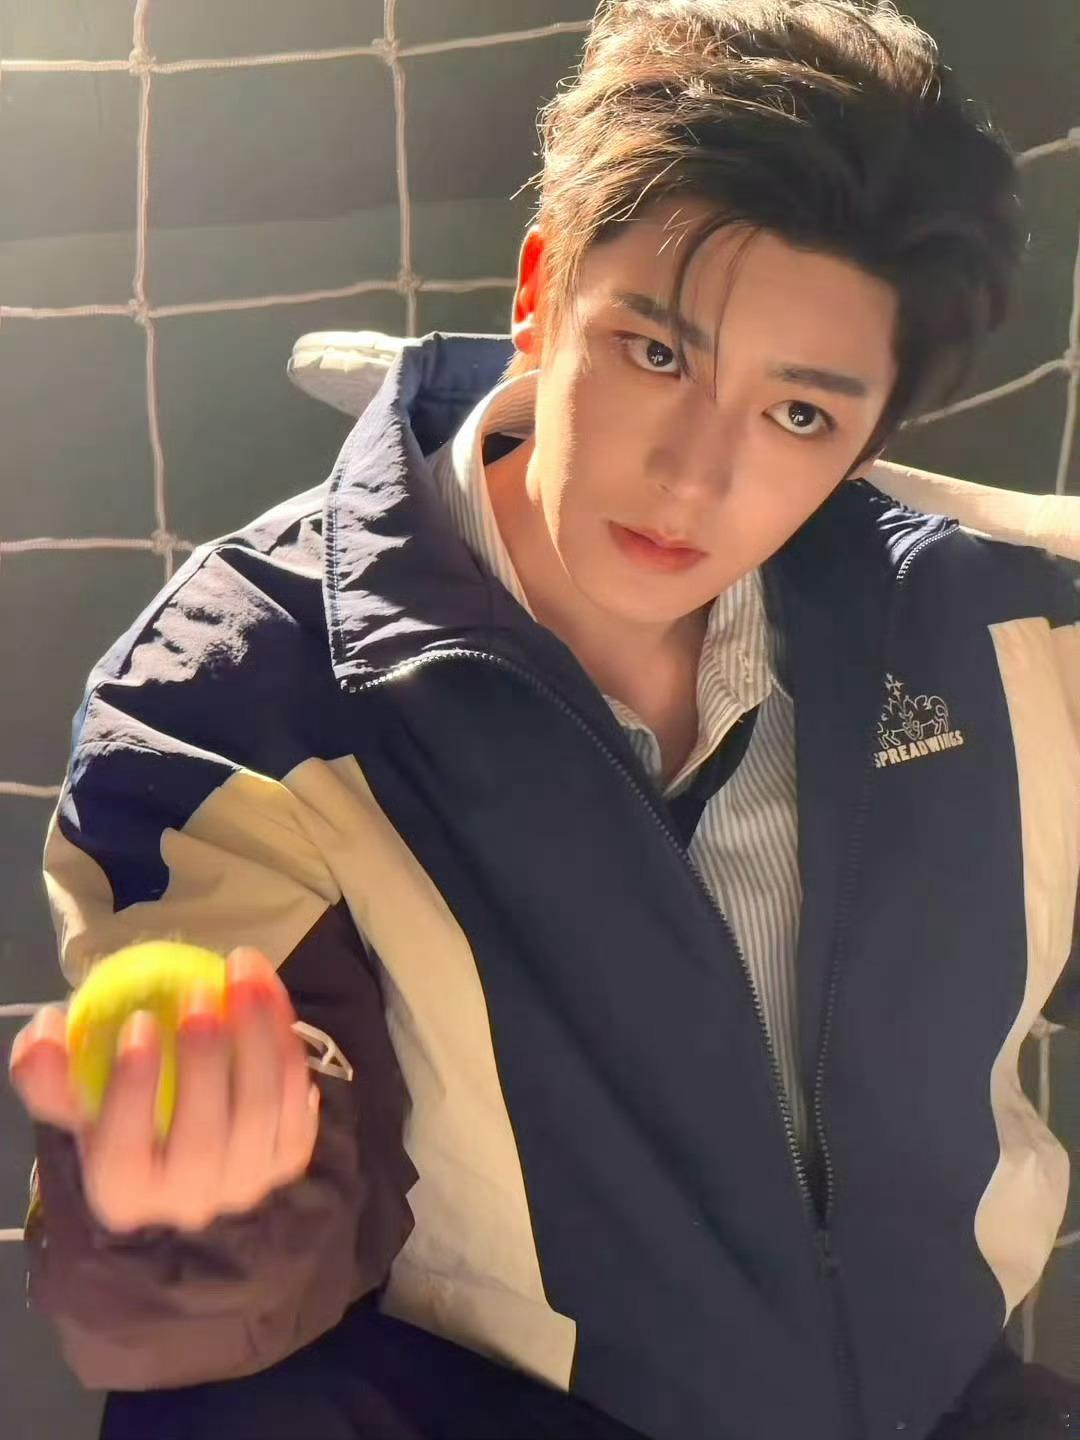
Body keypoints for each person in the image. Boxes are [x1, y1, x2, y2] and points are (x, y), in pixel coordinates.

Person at [8, 2, 1079, 1436]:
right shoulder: (235, 690)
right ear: (540, 289)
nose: (695, 476)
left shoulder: (1020, 634)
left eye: (800, 417)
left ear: (870, 434)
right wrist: (192, 1210)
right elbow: (211, 1300)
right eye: (656, 354)